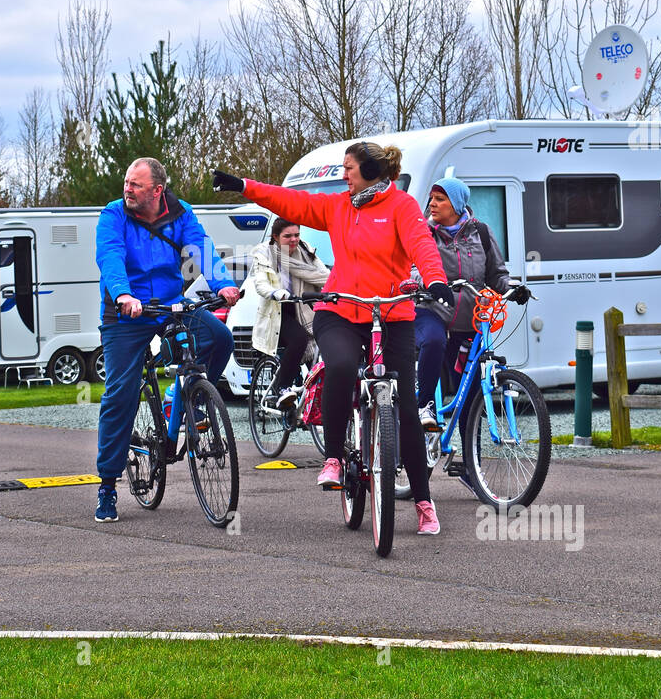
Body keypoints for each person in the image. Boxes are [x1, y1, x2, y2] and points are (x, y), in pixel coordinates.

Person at [214, 142, 455, 536]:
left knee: (407, 409)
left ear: (371, 170)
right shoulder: (339, 206)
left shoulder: (402, 207)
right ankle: (334, 460)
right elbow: (291, 202)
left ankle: (424, 503)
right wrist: (244, 185)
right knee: (341, 366)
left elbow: (421, 244)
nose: (344, 176)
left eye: (349, 169)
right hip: (341, 310)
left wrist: (436, 279)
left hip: (392, 313)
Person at [94, 157, 241, 523]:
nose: (127, 189)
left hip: (169, 305)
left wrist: (223, 283)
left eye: (136, 185)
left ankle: (188, 401)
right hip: (126, 310)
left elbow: (200, 248)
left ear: (157, 190)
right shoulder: (113, 215)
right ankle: (108, 485)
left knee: (218, 337)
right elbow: (109, 256)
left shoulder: (180, 212)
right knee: (121, 392)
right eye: (126, 182)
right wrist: (123, 294)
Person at [414, 177, 531, 440]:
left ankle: (470, 464)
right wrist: (427, 281)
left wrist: (513, 287)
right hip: (433, 311)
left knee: (470, 391)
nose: (432, 204)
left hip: (469, 320)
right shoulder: (424, 233)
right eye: (432, 198)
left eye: (440, 199)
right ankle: (425, 405)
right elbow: (412, 268)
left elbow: (497, 274)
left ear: (456, 204)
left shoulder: (481, 232)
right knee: (433, 341)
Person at [248, 218, 330, 409]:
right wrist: (275, 292)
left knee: (322, 347)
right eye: (288, 236)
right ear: (275, 237)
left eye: (297, 235)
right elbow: (261, 283)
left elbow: (323, 274)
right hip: (278, 311)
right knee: (299, 339)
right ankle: (282, 387)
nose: (294, 240)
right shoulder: (264, 254)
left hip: (304, 309)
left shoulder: (305, 250)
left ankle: (316, 402)